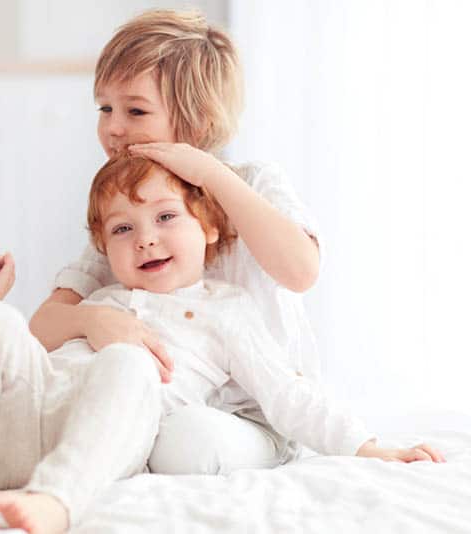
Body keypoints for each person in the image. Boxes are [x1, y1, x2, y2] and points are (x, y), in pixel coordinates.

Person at [0, 153, 445, 534]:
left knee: (129, 365)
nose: (145, 236)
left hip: (97, 443)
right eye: (123, 229)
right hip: (19, 433)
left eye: (166, 216)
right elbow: (16, 356)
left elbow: (288, 394)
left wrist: (367, 446)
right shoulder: (102, 299)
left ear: (210, 227)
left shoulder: (227, 312)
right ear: (105, 248)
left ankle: (55, 501)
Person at [28, 8, 333, 474]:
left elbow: (301, 270)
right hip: (157, 404)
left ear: (195, 121)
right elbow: (42, 326)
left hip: (255, 415)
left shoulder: (252, 184)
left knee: (188, 442)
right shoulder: (126, 220)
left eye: (135, 110)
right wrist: (89, 321)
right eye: (105, 108)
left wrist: (210, 174)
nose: (113, 127)